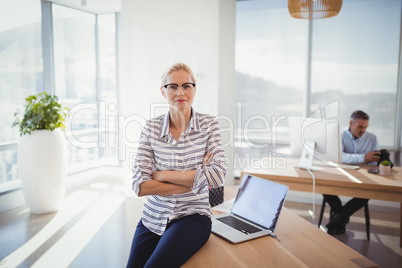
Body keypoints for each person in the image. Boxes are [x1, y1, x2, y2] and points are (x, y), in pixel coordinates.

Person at [126, 63, 226, 267]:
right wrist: (197, 179)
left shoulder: (209, 125)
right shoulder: (151, 128)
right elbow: (140, 186)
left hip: (193, 216)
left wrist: (162, 175)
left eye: (186, 85)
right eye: (172, 86)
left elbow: (217, 175)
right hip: (153, 217)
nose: (180, 92)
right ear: (163, 91)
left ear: (194, 89)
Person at [324, 110, 380, 235]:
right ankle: (340, 218)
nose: (363, 131)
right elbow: (339, 156)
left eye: (365, 127)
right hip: (340, 176)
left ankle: (337, 219)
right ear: (350, 123)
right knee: (324, 186)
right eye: (360, 127)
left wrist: (380, 159)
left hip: (363, 178)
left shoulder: (372, 138)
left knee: (368, 191)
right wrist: (363, 158)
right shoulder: (339, 136)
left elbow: (374, 161)